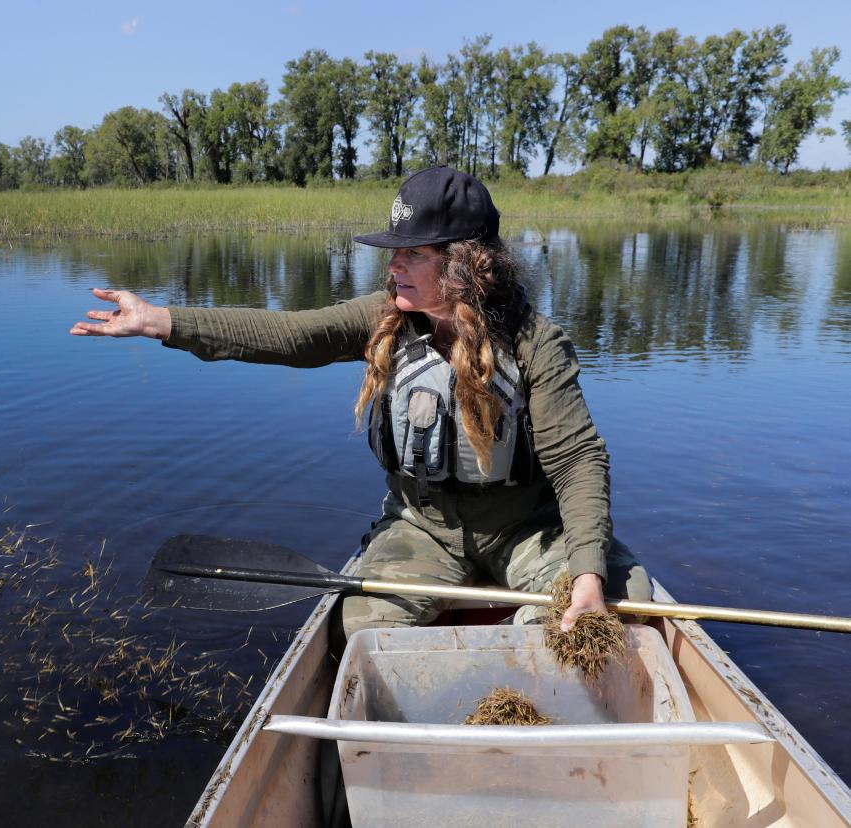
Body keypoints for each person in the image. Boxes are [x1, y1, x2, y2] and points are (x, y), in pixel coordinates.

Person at [70, 165, 651, 646]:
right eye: (392, 252)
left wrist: (587, 575)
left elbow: (577, 460)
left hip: (526, 527)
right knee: (363, 630)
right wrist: (162, 322)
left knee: (609, 616)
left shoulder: (533, 342)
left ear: (466, 263)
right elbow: (290, 335)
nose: (392, 264)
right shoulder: (385, 319)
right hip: (425, 529)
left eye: (411, 254)